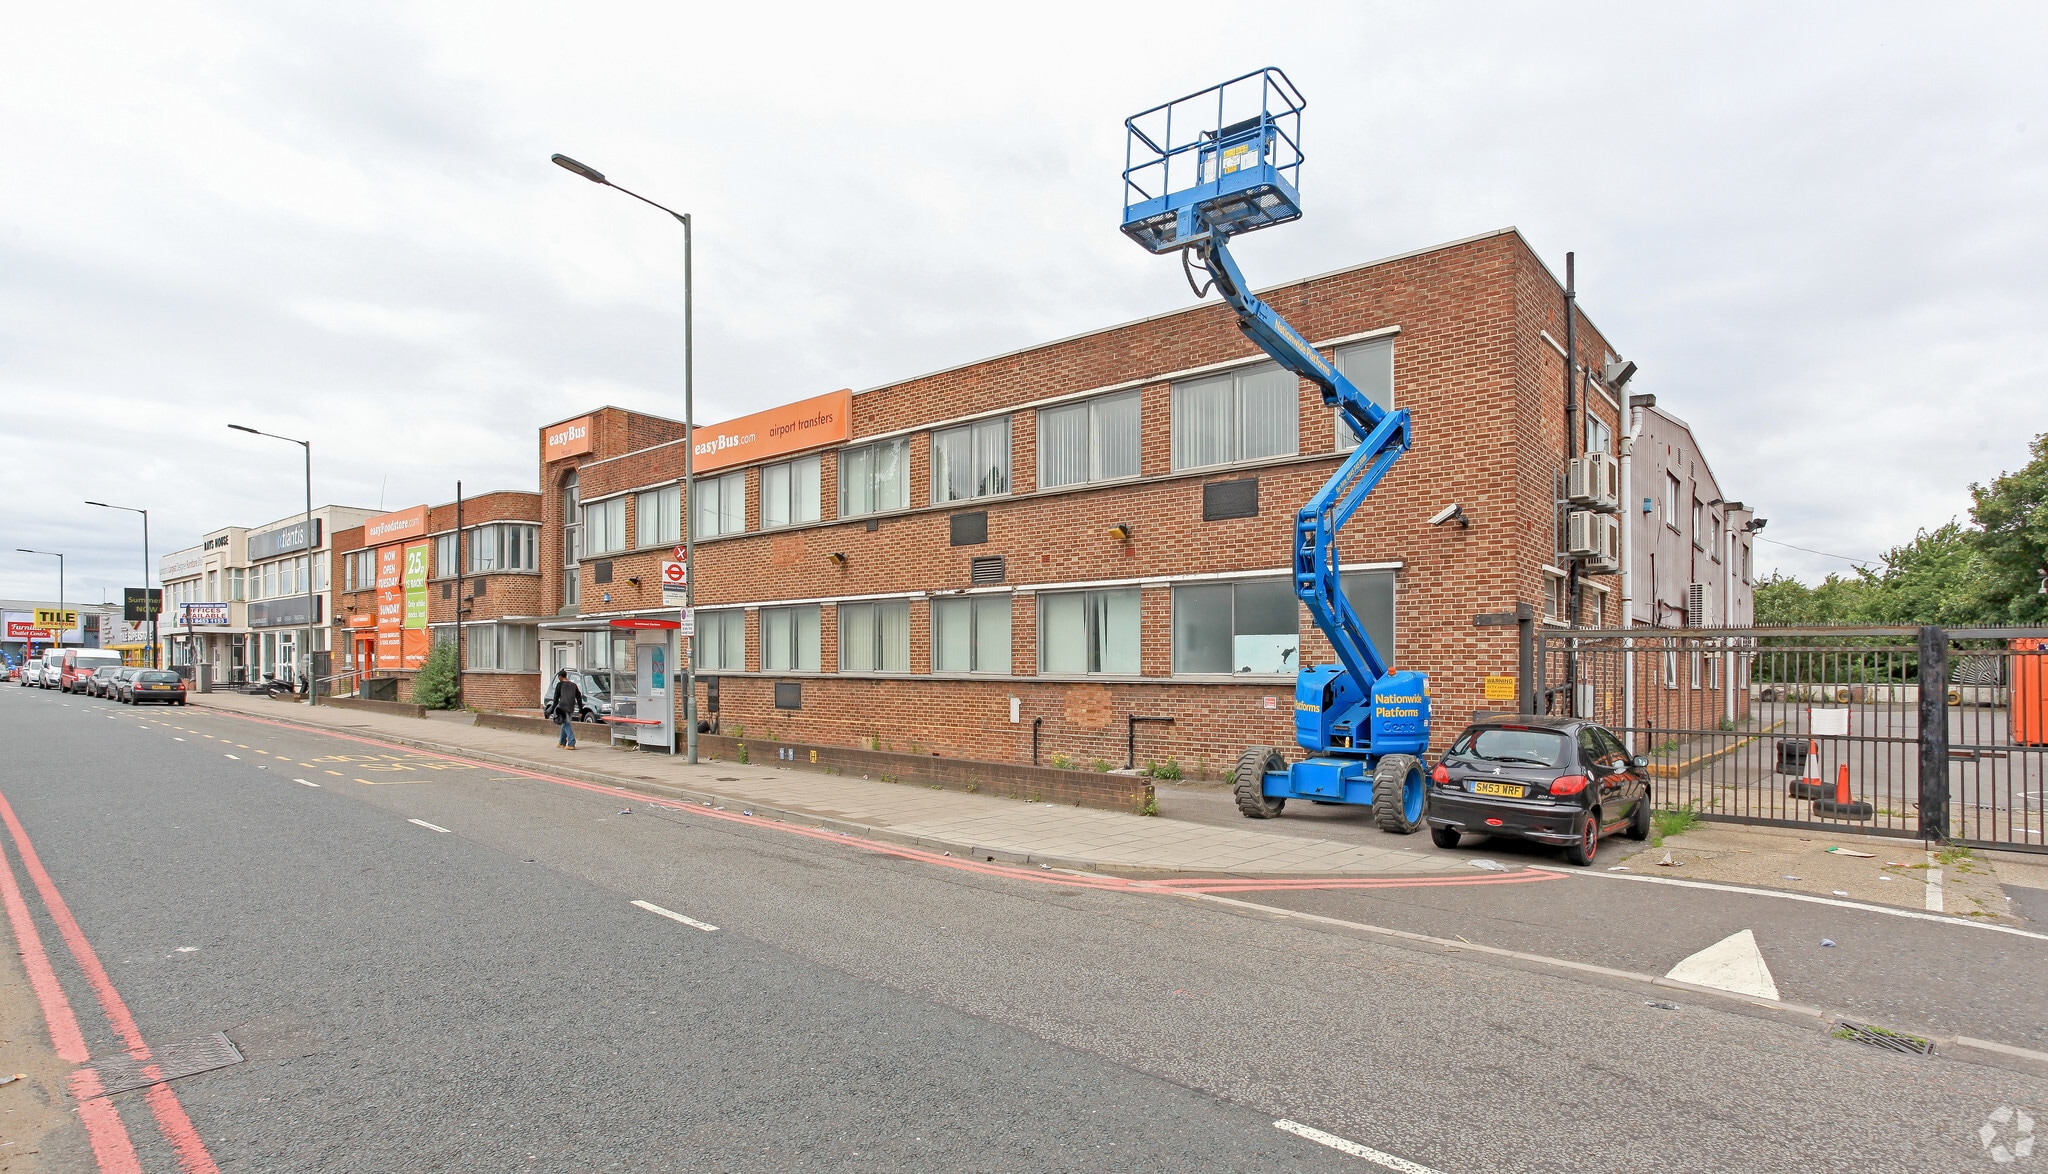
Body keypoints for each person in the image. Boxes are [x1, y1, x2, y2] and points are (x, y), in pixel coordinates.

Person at [550, 669, 582, 750]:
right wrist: (580, 710)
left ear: (560, 677)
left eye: (558, 677)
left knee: (566, 724)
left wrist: (552, 709)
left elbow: (556, 698)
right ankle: (562, 742)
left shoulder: (559, 685)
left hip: (562, 707)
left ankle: (571, 742)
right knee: (564, 723)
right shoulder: (574, 685)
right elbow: (579, 697)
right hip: (571, 707)